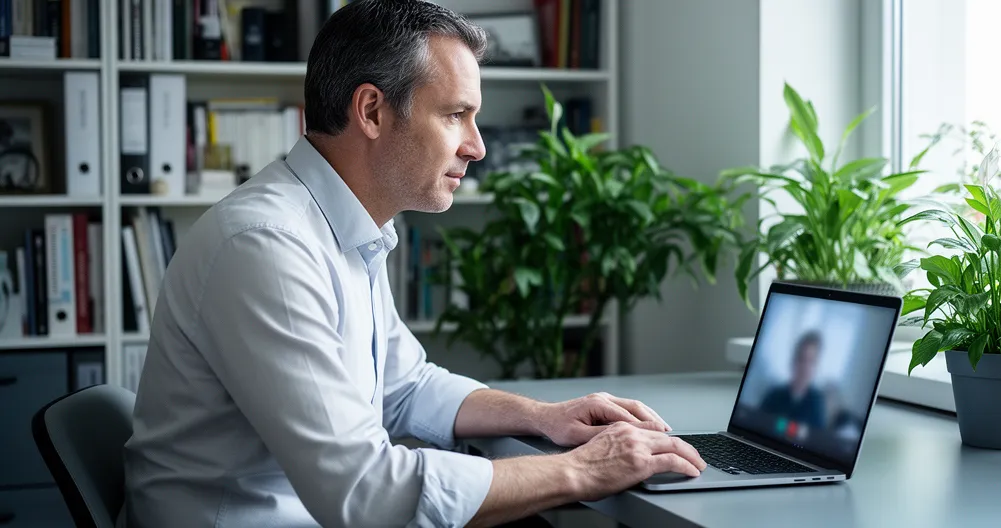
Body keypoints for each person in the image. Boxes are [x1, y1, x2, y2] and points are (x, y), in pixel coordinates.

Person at [118, 1, 707, 527]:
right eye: (455, 115)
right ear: (372, 111)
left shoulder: (349, 227)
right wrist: (581, 471)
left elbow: (404, 387)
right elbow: (365, 495)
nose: (476, 145)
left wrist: (547, 418)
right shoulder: (265, 247)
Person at [760, 330, 827, 429]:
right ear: (793, 361)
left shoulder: (817, 404)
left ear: (816, 366)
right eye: (802, 359)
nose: (805, 367)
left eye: (811, 361)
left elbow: (817, 439)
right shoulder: (774, 395)